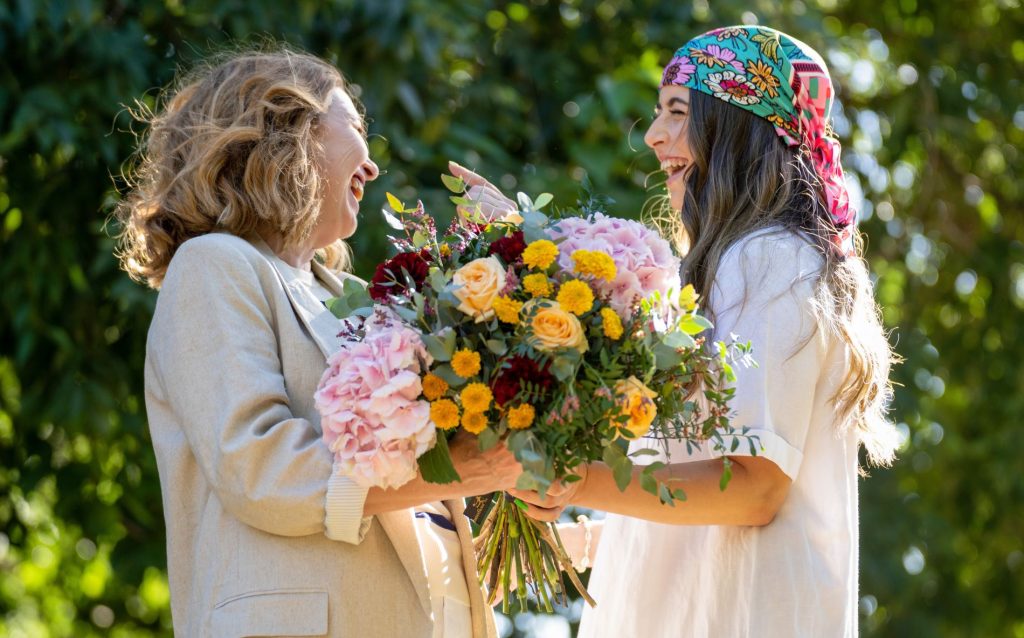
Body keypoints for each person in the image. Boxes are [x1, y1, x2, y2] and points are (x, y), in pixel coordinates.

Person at [508, 26, 901, 637]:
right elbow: (706, 486)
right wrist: (579, 540)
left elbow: (754, 489)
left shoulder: (768, 259)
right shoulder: (752, 263)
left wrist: (579, 480)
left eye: (677, 111)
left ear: (737, 125)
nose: (652, 135)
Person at [115, 49, 522, 637]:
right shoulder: (214, 266)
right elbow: (261, 468)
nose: (374, 167)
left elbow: (426, 483)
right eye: (357, 128)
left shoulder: (356, 295)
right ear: (288, 131)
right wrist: (457, 471)